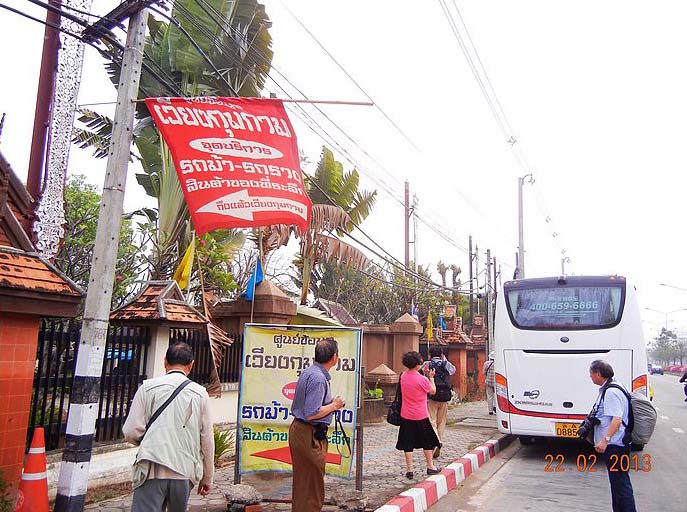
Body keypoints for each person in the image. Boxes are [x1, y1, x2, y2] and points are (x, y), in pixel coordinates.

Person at [122, 342, 214, 512]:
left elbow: (130, 432)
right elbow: (207, 440)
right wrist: (207, 478)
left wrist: (148, 440)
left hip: (151, 469)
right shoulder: (200, 393)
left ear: (165, 362)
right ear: (191, 365)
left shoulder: (147, 388)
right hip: (184, 472)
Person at [289, 337, 345, 512]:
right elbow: (312, 413)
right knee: (311, 486)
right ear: (334, 357)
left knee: (305, 483)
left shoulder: (311, 372)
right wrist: (335, 405)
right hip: (308, 434)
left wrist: (331, 404)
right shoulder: (318, 378)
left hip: (305, 432)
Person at [588, 360, 637, 512]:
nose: (590, 377)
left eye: (591, 374)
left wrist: (605, 440)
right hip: (618, 444)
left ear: (598, 373)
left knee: (620, 484)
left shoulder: (611, 392)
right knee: (618, 484)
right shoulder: (613, 386)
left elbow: (617, 419)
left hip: (616, 445)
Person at [396, 351, 441, 480]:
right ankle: (430, 466)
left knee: (407, 442)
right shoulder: (422, 379)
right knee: (427, 442)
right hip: (421, 415)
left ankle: (410, 469)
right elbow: (433, 391)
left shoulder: (403, 376)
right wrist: (431, 377)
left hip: (406, 414)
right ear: (417, 363)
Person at [425, 345, 456, 458]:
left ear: (430, 354)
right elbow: (453, 371)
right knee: (441, 422)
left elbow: (422, 374)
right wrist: (444, 360)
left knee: (431, 420)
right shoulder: (446, 364)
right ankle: (439, 440)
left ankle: (436, 440)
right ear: (442, 354)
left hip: (432, 396)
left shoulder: (427, 364)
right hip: (445, 397)